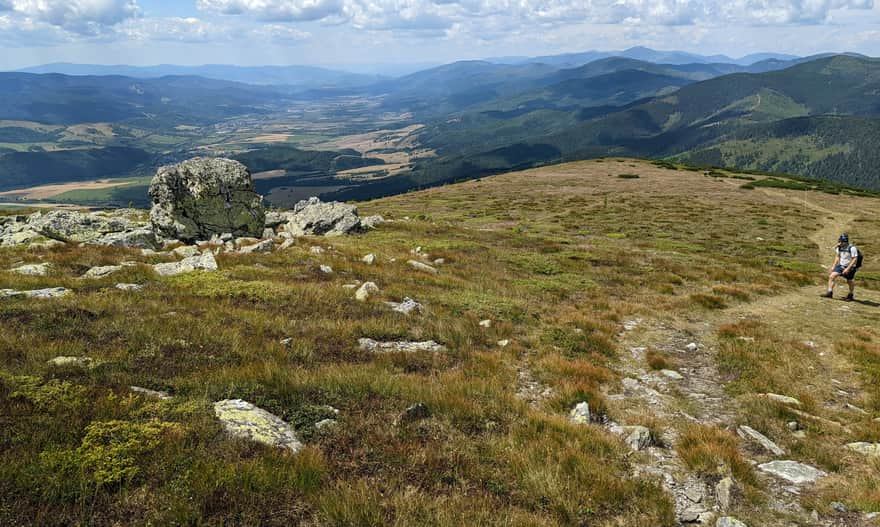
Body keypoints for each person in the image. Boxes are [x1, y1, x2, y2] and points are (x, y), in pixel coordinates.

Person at [821, 233, 859, 301]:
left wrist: (848, 268)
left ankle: (850, 294)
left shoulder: (852, 248)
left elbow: (855, 259)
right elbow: (837, 257)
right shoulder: (839, 247)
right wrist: (833, 267)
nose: (839, 242)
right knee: (831, 276)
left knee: (849, 281)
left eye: (841, 241)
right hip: (841, 265)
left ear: (845, 241)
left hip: (850, 267)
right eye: (839, 241)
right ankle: (829, 292)